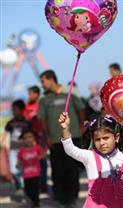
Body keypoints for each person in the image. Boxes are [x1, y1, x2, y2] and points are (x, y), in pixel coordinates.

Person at [58, 112, 123, 208]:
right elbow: (70, 150)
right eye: (98, 139)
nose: (102, 143)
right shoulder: (90, 156)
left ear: (117, 137)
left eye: (105, 138)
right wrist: (65, 129)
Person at [38, 70, 85, 206]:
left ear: (51, 79)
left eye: (43, 81)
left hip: (73, 137)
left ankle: (72, 198)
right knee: (57, 170)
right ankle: (60, 198)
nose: (42, 85)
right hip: (55, 140)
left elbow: (81, 109)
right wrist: (46, 136)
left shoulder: (70, 91)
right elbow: (43, 119)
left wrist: (81, 127)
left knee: (72, 169)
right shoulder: (43, 98)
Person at [25, 85, 48, 193]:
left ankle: (43, 184)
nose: (28, 96)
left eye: (30, 93)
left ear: (36, 94)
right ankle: (36, 184)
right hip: (32, 139)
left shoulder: (42, 104)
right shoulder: (27, 107)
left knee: (42, 161)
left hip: (42, 138)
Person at [4, 99, 31, 191]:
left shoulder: (27, 123)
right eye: (12, 109)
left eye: (15, 109)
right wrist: (4, 144)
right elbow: (6, 134)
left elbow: (31, 137)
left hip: (24, 150)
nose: (13, 111)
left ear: (22, 110)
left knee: (25, 170)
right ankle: (20, 185)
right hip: (13, 150)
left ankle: (25, 188)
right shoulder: (10, 123)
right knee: (13, 170)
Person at [17, 130, 45, 207]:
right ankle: (31, 201)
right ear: (22, 140)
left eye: (30, 137)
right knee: (28, 190)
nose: (28, 139)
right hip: (26, 175)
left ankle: (36, 204)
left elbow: (43, 154)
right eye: (25, 138)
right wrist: (17, 164)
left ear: (34, 138)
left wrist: (40, 157)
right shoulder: (22, 150)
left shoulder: (37, 148)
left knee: (35, 189)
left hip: (36, 173)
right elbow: (19, 159)